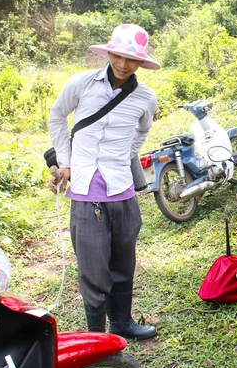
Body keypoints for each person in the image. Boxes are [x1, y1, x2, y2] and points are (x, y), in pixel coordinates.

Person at [48, 24, 159, 340]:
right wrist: (65, 162)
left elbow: (142, 130)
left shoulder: (145, 98)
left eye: (131, 60)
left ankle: (122, 324)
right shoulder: (81, 84)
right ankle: (97, 337)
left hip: (122, 193)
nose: (123, 65)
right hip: (84, 196)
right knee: (93, 271)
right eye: (117, 56)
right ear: (108, 52)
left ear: (141, 62)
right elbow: (57, 117)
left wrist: (127, 153)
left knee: (124, 262)